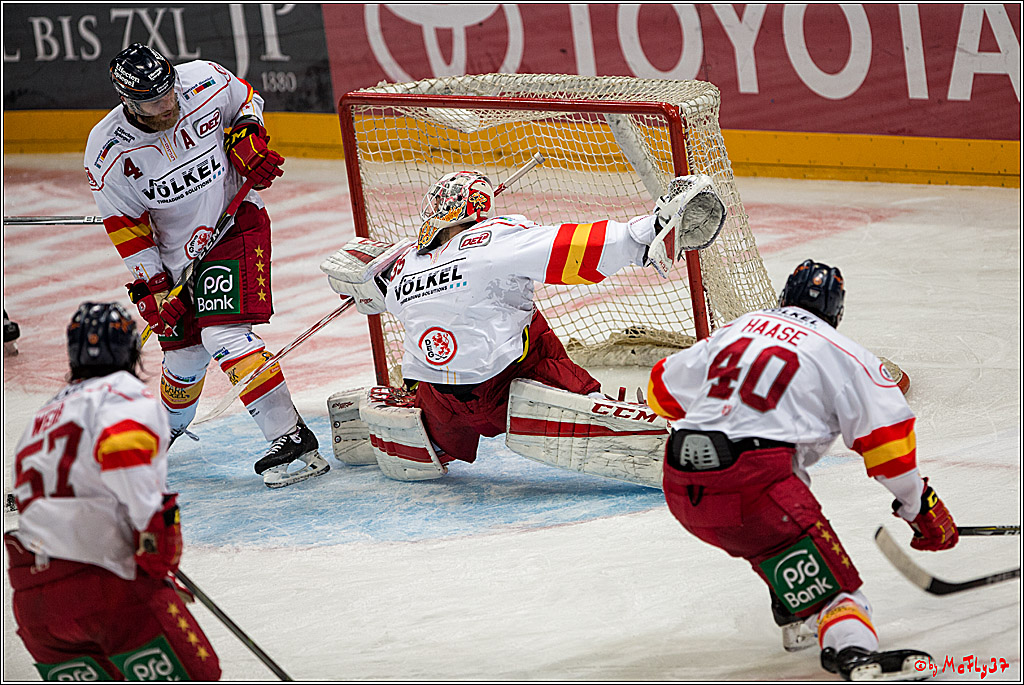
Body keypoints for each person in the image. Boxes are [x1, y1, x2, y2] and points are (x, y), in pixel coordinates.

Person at [647, 260, 958, 681]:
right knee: (841, 596)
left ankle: (793, 608)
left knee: (771, 536)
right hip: (752, 488)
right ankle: (852, 653)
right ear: (836, 313)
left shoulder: (739, 329)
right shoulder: (846, 354)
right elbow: (888, 446)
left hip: (681, 485)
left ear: (784, 297)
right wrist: (919, 505)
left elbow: (661, 391)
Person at [323, 170, 724, 480]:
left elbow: (361, 285)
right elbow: (573, 246)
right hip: (509, 388)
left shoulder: (399, 267)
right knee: (528, 323)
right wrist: (649, 231)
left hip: (441, 407)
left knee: (429, 353)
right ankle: (591, 401)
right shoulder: (493, 241)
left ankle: (426, 430)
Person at [84, 43, 325, 488]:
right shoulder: (107, 152)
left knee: (222, 333)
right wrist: (154, 287)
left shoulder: (203, 79)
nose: (168, 103)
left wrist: (247, 135)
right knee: (185, 356)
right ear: (129, 103)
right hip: (176, 257)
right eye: (154, 100)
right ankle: (164, 430)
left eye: (168, 91)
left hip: (233, 224)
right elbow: (127, 227)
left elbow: (246, 101)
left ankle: (291, 438)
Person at [6, 302, 221, 681]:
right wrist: (158, 555)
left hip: (35, 603)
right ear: (132, 350)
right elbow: (133, 476)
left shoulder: (43, 416)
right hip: (107, 591)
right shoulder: (124, 397)